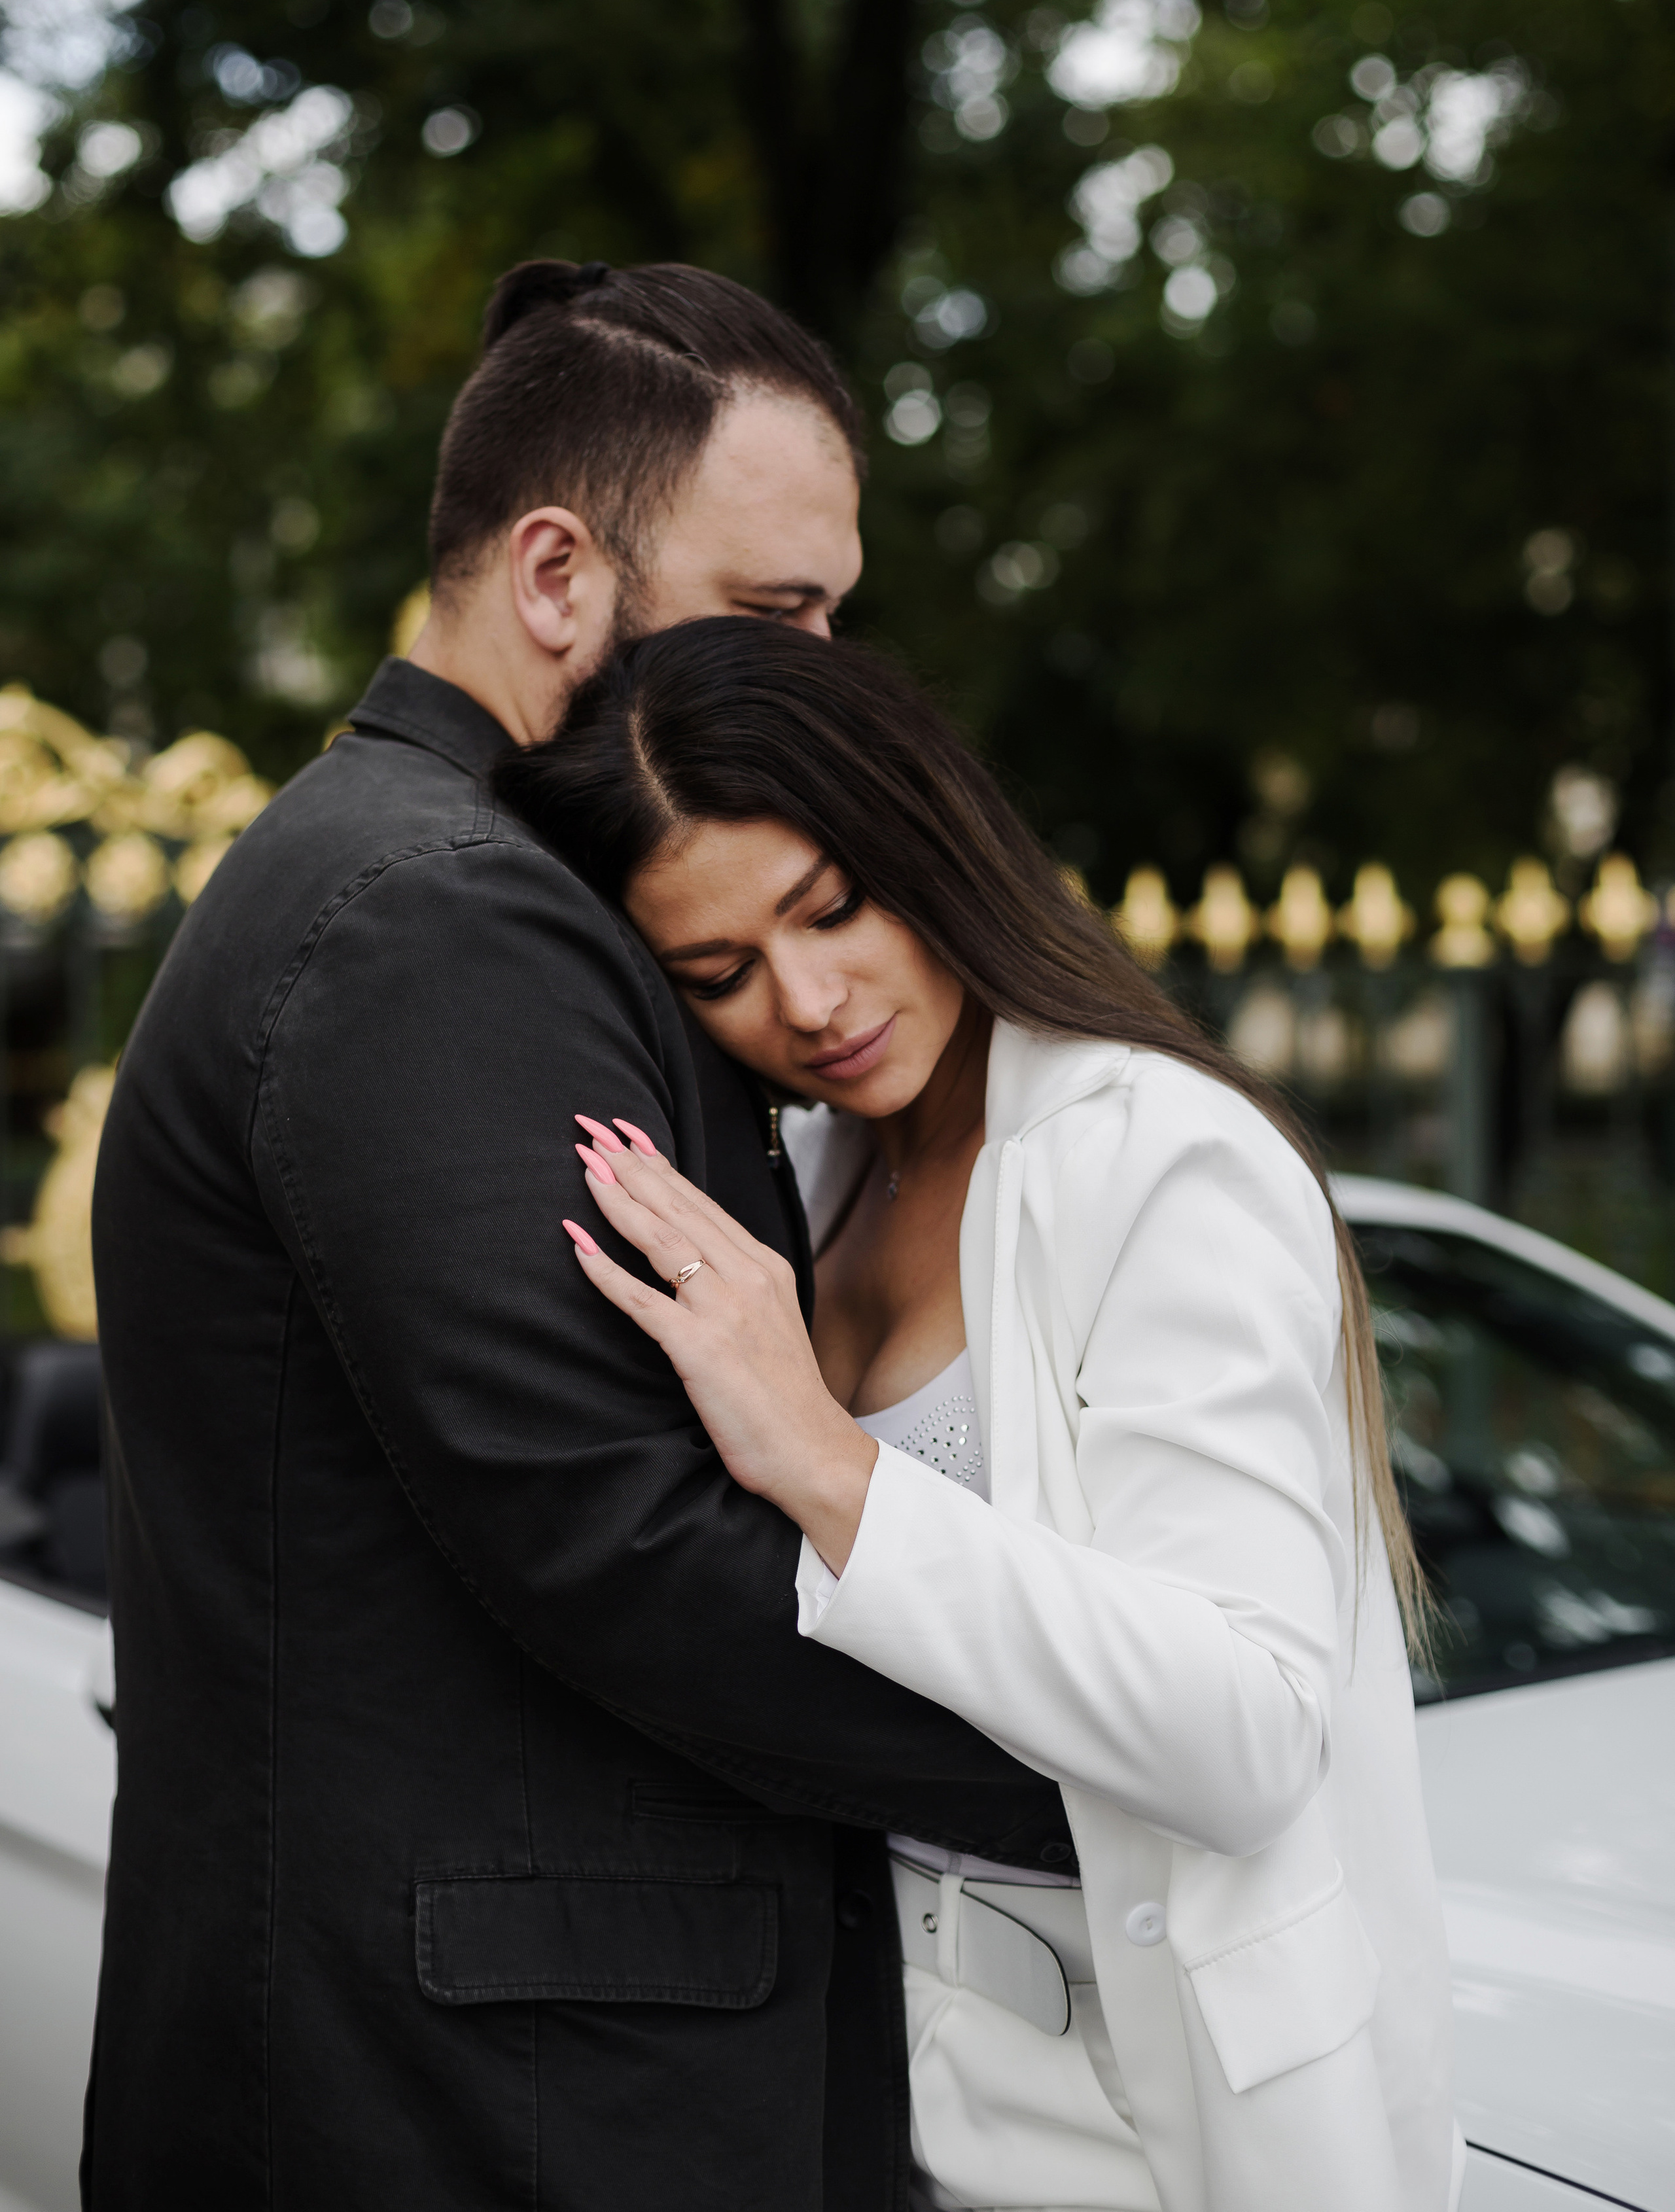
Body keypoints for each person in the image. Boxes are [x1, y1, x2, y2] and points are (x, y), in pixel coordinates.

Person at [86, 261, 1072, 2212]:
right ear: (557, 578)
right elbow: (621, 1543)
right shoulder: (432, 923)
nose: (825, 676)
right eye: (774, 613)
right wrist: (1124, 1756)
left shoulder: (476, 886)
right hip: (489, 2108)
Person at [497, 617, 1463, 2212]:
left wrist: (822, 1461)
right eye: (719, 974)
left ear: (918, 828)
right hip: (880, 2083)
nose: (808, 1001)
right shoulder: (804, 1180)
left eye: (833, 906)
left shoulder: (1156, 1158)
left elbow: (1242, 1733)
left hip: (1152, 2119)